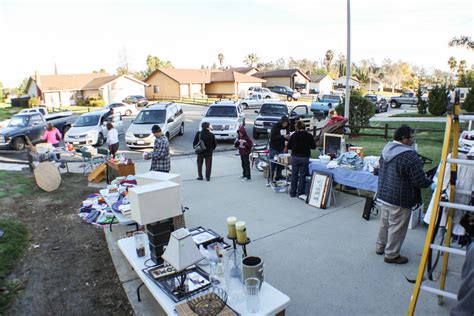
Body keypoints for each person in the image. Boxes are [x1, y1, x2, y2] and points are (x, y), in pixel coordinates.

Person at [375, 125, 432, 264]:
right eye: (410, 138)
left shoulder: (386, 149)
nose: (412, 140)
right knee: (397, 227)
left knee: (384, 223)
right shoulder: (409, 155)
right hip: (400, 198)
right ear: (403, 139)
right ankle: (391, 255)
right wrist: (429, 180)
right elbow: (419, 181)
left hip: (383, 194)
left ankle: (380, 246)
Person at [288, 120, 316, 197]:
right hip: (305, 157)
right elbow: (314, 147)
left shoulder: (293, 135)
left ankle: (292, 192)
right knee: (302, 175)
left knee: (294, 174)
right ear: (304, 127)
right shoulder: (309, 135)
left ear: (297, 127)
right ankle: (300, 193)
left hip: (295, 157)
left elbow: (289, 146)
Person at [269, 115, 289, 181]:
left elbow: (287, 136)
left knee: (280, 164)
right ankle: (270, 178)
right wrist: (283, 136)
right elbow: (273, 137)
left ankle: (278, 177)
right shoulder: (275, 127)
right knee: (273, 164)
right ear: (281, 122)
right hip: (274, 147)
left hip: (281, 148)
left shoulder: (287, 128)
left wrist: (288, 138)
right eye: (284, 123)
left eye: (286, 124)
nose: (285, 125)